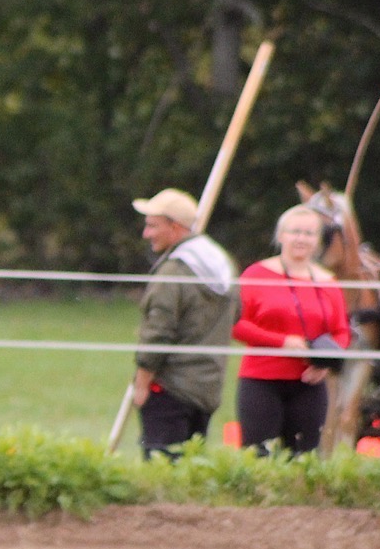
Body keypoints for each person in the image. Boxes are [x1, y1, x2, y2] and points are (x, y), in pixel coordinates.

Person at [128, 189, 238, 459]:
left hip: (170, 388)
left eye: (153, 226)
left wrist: (141, 384)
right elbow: (235, 314)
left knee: (162, 467)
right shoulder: (222, 264)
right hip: (208, 388)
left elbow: (158, 333)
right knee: (191, 468)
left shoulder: (174, 272)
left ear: (175, 227)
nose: (146, 234)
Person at [232, 204, 350, 456]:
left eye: (309, 233)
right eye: (295, 232)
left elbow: (341, 332)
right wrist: (281, 342)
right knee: (257, 455)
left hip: (309, 383)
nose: (301, 239)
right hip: (261, 380)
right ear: (281, 236)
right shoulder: (256, 274)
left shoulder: (328, 282)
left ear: (318, 241)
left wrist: (326, 363)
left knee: (304, 457)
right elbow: (237, 324)